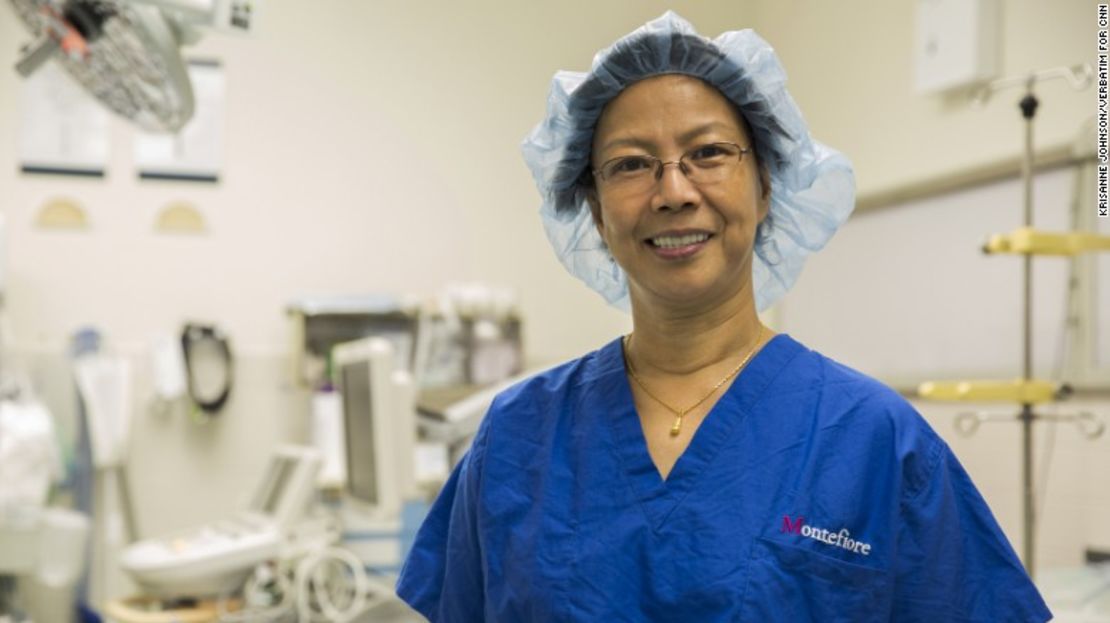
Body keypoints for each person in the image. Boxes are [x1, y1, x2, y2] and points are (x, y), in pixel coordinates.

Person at [395, 12, 1052, 622]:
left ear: (766, 184)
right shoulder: (518, 437)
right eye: (630, 165)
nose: (674, 191)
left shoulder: (875, 441)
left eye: (708, 153)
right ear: (594, 210)